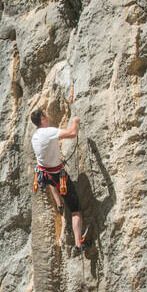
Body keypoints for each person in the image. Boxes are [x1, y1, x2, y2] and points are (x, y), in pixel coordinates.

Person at [30, 106, 87, 249]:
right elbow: (73, 133)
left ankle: (59, 203)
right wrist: (75, 121)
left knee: (51, 181)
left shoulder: (35, 135)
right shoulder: (48, 132)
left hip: (43, 174)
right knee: (76, 211)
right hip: (56, 174)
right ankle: (78, 243)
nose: (48, 116)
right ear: (42, 119)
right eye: (45, 115)